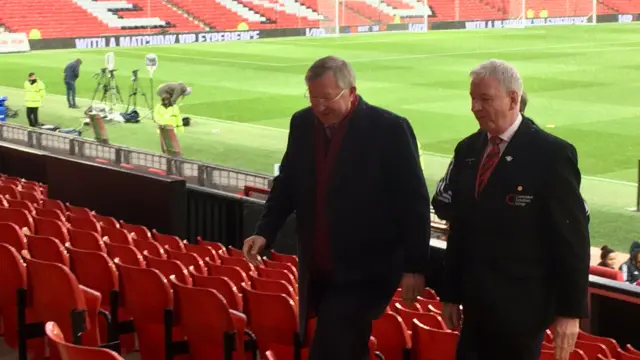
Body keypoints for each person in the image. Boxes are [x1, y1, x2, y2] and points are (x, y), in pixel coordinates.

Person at [241, 56, 431, 360]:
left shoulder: (389, 129)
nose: (319, 106)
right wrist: (265, 231)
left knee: (332, 345)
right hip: (317, 265)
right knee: (347, 346)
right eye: (313, 97)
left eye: (327, 98)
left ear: (351, 92)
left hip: (366, 268)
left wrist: (415, 266)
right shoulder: (302, 123)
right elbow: (287, 183)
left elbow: (414, 201)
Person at [441, 59, 590, 360]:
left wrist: (570, 313)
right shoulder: (467, 150)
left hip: (523, 310)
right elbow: (460, 226)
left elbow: (571, 237)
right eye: (472, 98)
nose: (475, 107)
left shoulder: (552, 154)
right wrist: (451, 293)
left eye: (485, 98)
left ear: (513, 99)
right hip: (475, 306)